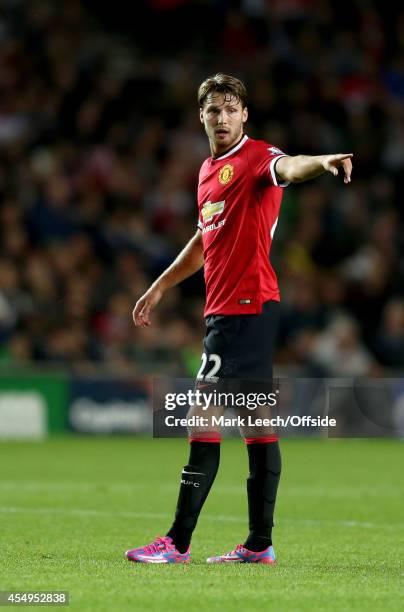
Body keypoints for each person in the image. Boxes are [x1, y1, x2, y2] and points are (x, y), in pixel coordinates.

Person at [125, 73, 353, 564]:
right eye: (213, 110)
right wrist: (160, 285)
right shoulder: (208, 170)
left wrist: (323, 160)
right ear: (201, 117)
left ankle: (177, 542)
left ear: (244, 115)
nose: (222, 117)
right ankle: (258, 544)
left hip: (245, 308)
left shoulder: (256, 158)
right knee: (257, 425)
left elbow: (290, 168)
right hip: (232, 311)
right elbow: (204, 240)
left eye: (231, 108)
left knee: (200, 417)